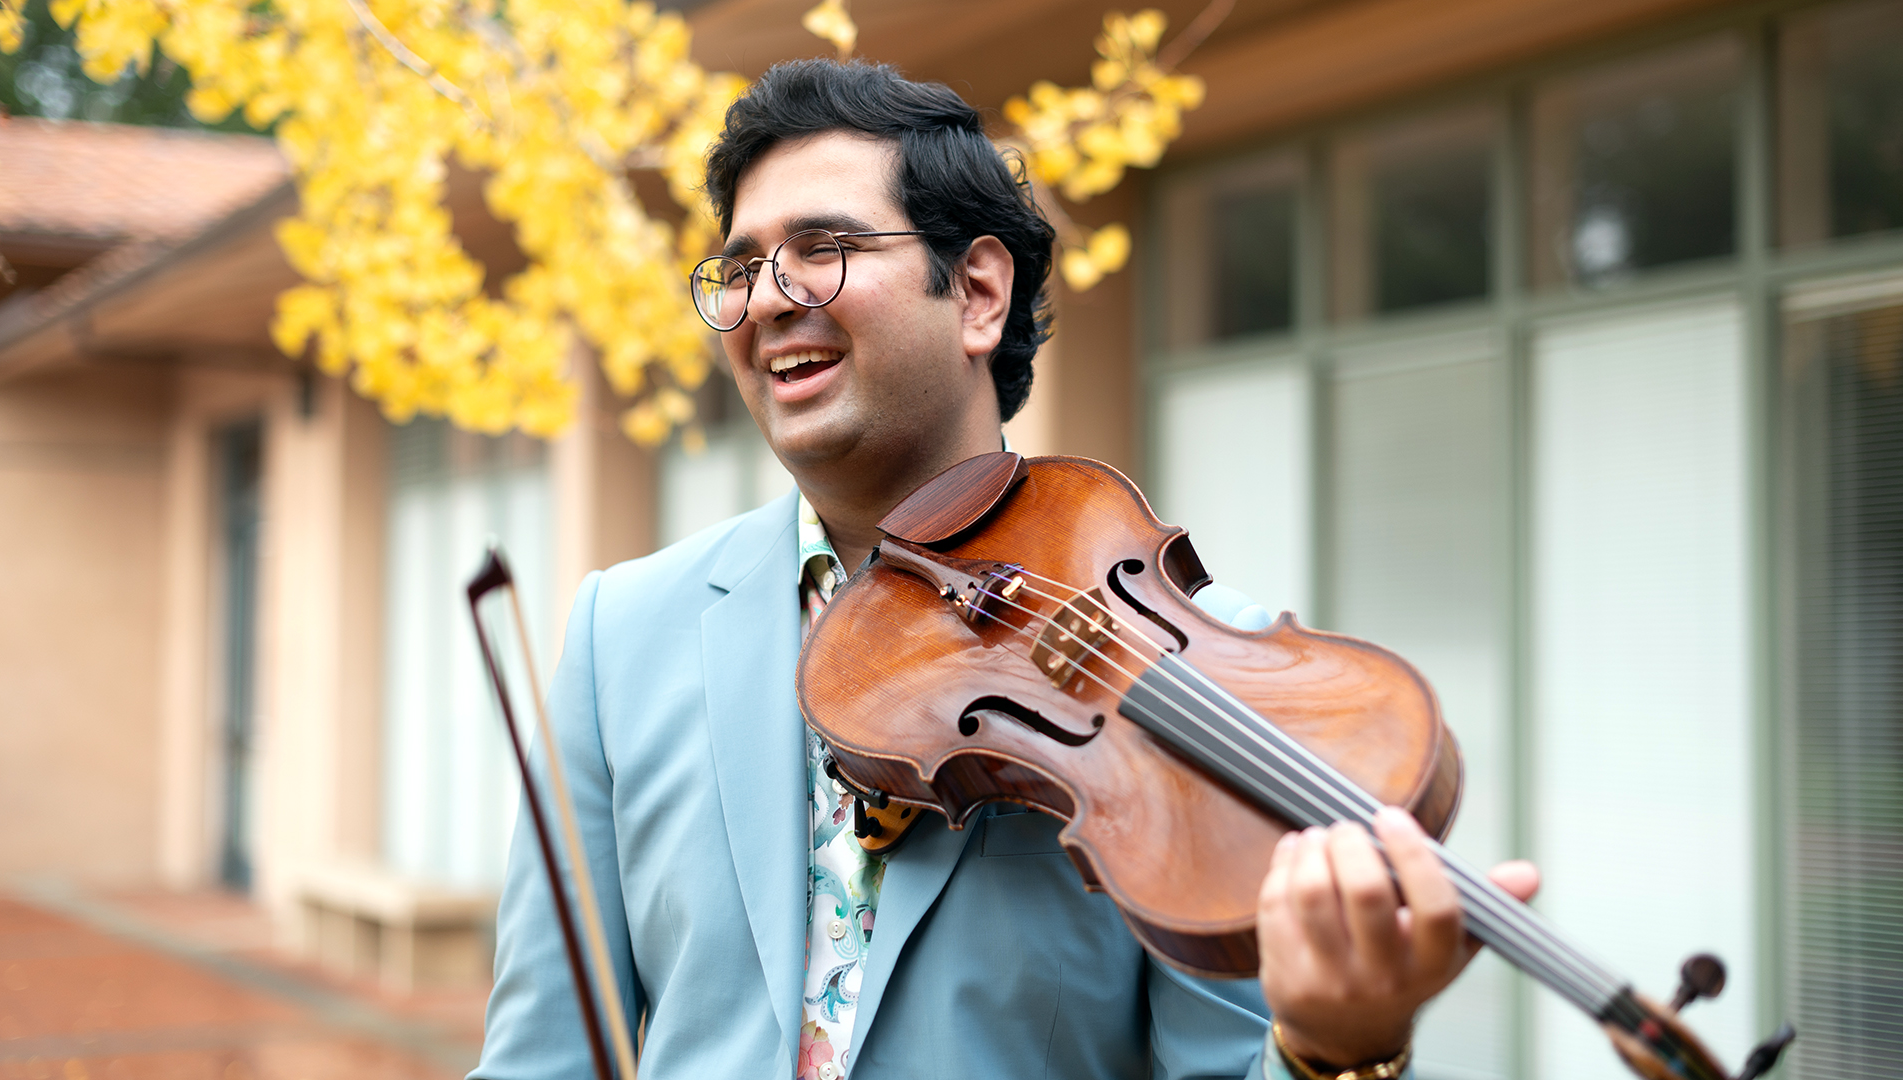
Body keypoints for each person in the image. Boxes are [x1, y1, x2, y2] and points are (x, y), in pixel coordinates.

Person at [469, 59, 1538, 1080]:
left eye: (825, 246)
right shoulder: (623, 636)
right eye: (742, 268)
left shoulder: (1196, 670)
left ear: (978, 292)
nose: (769, 298)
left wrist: (1339, 1049)